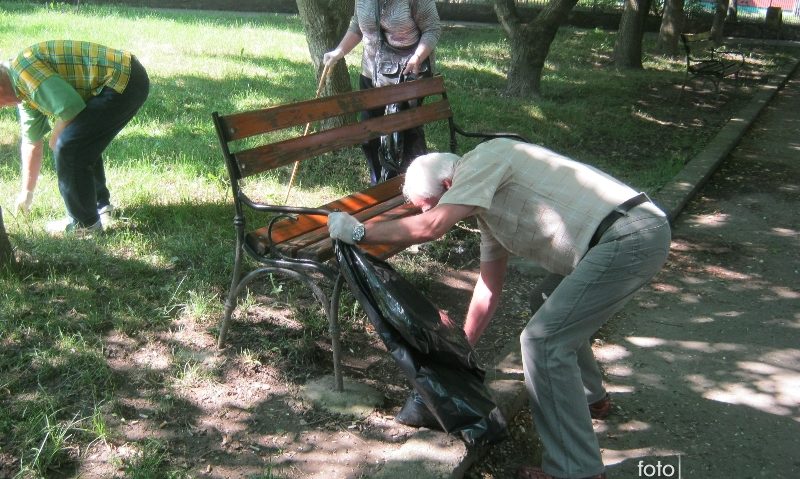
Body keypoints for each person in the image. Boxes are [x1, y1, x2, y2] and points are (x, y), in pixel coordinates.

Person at [327, 138, 672, 479]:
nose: (424, 213)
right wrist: (460, 350)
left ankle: (575, 470)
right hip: (622, 238)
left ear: (449, 186)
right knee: (547, 301)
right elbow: (489, 287)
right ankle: (591, 398)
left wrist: (359, 231)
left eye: (427, 204)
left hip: (628, 236)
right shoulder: (486, 206)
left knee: (542, 342)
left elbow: (432, 227)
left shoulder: (485, 159)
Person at [0, 40, 150, 235]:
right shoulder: (23, 92)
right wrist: (26, 194)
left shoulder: (24, 73)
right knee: (80, 141)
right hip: (123, 79)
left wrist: (56, 139)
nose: (2, 108)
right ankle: (100, 207)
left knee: (69, 146)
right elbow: (32, 143)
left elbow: (70, 107)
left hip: (123, 79)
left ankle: (84, 225)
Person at [322, 0, 441, 185]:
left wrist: (417, 57)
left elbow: (432, 29)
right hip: (371, 72)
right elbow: (357, 26)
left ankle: (411, 185)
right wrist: (339, 52)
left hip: (407, 74)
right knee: (369, 132)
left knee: (404, 135)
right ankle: (378, 184)